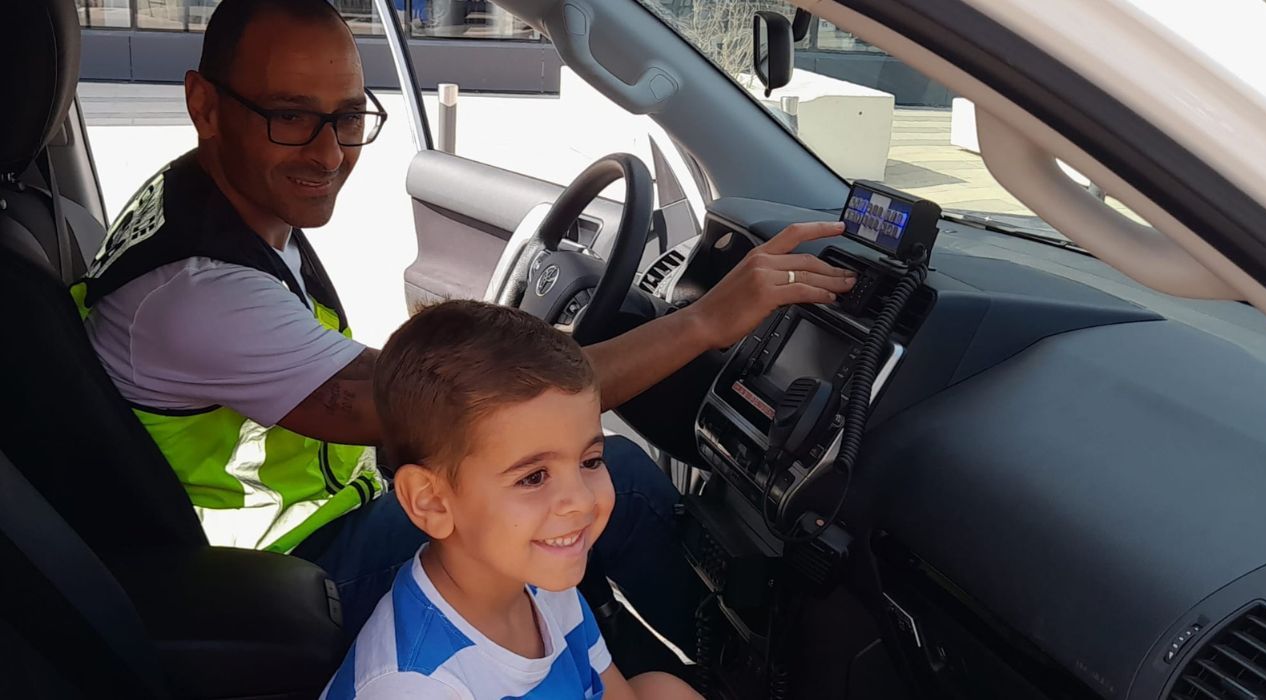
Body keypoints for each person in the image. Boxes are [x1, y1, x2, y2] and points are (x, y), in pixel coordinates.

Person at [76, 0, 855, 645]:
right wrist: (704, 323)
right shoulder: (198, 293)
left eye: (348, 117)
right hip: (284, 578)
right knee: (617, 481)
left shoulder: (210, 205)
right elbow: (464, 417)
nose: (329, 151)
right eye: (290, 117)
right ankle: (717, 668)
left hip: (303, 527)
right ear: (204, 106)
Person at [322, 300, 701, 699]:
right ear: (431, 502)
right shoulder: (416, 685)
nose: (580, 501)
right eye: (534, 477)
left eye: (591, 461)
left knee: (664, 689)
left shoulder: (540, 581)